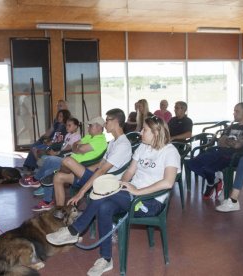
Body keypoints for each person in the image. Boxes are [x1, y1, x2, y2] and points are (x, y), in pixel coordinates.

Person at [46, 115, 180, 276]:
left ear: (156, 133)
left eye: (144, 130)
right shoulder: (143, 148)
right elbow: (129, 172)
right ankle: (106, 259)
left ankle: (74, 231)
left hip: (149, 202)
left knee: (102, 196)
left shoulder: (170, 152)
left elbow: (168, 182)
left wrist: (137, 191)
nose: (140, 132)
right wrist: (120, 185)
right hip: (130, 194)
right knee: (104, 206)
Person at [53, 109, 132, 210]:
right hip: (96, 176)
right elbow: (99, 165)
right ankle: (59, 212)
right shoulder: (112, 142)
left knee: (67, 161)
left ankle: (60, 172)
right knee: (58, 177)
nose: (105, 123)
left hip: (105, 181)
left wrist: (81, 192)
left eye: (107, 120)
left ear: (116, 122)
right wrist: (82, 172)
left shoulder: (122, 144)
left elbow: (102, 170)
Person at [30, 117, 108, 211]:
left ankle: (36, 179)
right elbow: (75, 146)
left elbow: (80, 149)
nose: (88, 127)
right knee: (56, 176)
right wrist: (77, 148)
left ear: (99, 127)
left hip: (79, 167)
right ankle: (59, 210)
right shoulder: (89, 136)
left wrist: (78, 148)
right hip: (70, 164)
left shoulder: (100, 140)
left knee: (50, 161)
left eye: (90, 125)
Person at [185, 102, 243, 200]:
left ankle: (212, 182)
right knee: (191, 163)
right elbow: (220, 142)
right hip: (220, 152)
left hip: (234, 157)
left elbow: (237, 145)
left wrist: (227, 141)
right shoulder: (233, 126)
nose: (234, 113)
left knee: (208, 169)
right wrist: (230, 141)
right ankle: (214, 180)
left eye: (237, 111)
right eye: (234, 111)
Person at [19, 117, 82, 188]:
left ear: (76, 126)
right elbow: (63, 146)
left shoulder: (77, 136)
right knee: (43, 158)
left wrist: (57, 153)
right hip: (61, 154)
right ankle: (38, 180)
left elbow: (69, 148)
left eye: (69, 125)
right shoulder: (68, 135)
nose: (67, 127)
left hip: (65, 157)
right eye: (66, 125)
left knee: (47, 166)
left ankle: (38, 181)